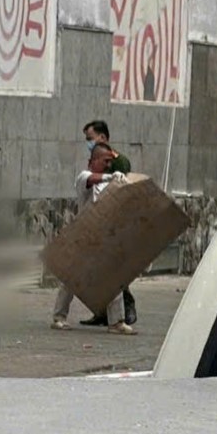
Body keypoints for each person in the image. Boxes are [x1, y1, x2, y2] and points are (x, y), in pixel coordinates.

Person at [51, 142, 137, 336]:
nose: (108, 165)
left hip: (104, 237)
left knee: (114, 278)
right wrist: (110, 176)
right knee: (71, 279)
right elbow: (92, 179)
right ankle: (59, 317)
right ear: (94, 161)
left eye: (110, 162)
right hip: (85, 235)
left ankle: (117, 322)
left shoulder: (110, 182)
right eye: (105, 161)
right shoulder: (84, 178)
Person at [81, 121, 138, 326]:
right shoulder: (95, 163)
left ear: (103, 137)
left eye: (90, 138)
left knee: (113, 273)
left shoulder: (119, 162)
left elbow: (120, 191)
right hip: (99, 224)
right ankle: (104, 314)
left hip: (113, 223)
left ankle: (124, 311)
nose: (88, 142)